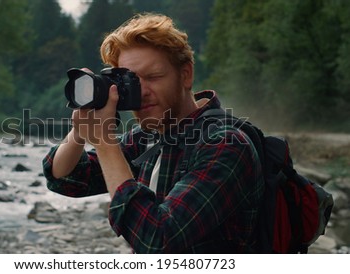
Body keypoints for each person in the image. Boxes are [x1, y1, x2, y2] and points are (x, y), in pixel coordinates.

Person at [43, 13, 264, 253]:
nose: (143, 92)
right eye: (132, 81)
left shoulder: (226, 145)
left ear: (186, 75)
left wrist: (106, 143)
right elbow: (66, 179)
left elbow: (157, 240)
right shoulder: (149, 137)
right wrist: (80, 131)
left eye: (153, 77)